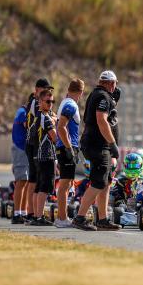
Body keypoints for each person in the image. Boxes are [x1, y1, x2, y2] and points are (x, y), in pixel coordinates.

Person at [72, 71, 121, 231]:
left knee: (105, 182)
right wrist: (112, 143)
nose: (116, 86)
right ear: (110, 83)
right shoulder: (102, 97)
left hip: (99, 145)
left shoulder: (99, 95)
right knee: (99, 181)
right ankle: (79, 218)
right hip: (97, 145)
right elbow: (101, 120)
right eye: (114, 83)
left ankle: (102, 219)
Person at [54, 78, 85, 228]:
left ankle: (62, 216)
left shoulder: (65, 102)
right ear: (81, 92)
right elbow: (61, 127)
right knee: (65, 184)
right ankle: (61, 218)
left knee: (67, 183)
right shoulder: (71, 105)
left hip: (64, 146)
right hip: (67, 146)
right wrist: (69, 148)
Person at [24, 78, 54, 222]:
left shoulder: (38, 102)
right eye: (44, 89)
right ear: (37, 90)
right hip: (34, 144)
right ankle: (32, 213)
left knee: (37, 180)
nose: (47, 92)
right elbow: (45, 121)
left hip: (36, 143)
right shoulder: (35, 103)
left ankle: (34, 213)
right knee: (34, 180)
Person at [30, 89, 57, 226]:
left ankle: (36, 216)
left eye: (52, 101)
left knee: (39, 187)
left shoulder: (41, 116)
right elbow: (55, 136)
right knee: (44, 188)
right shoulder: (45, 117)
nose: (50, 104)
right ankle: (39, 217)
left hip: (39, 156)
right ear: (40, 102)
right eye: (47, 101)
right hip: (46, 156)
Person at [10, 101, 30, 224]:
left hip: (27, 150)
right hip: (20, 148)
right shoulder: (22, 112)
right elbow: (28, 126)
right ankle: (17, 213)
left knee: (26, 182)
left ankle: (23, 212)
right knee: (21, 181)